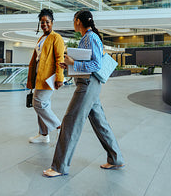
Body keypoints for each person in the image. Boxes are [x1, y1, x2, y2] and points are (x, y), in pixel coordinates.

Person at [43, 10, 124, 177]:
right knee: (100, 123)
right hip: (88, 85)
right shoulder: (87, 37)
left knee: (70, 122)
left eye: (74, 20)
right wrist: (70, 65)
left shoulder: (91, 37)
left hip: (87, 86)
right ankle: (115, 159)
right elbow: (86, 62)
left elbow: (96, 65)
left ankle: (59, 167)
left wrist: (74, 63)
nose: (73, 23)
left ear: (78, 21)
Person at [26, 9, 65, 144]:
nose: (44, 24)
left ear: (52, 23)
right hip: (39, 76)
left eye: (47, 22)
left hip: (49, 77)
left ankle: (59, 126)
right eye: (42, 22)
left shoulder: (56, 37)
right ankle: (43, 134)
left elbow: (60, 58)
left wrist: (60, 78)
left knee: (39, 103)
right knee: (42, 104)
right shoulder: (41, 38)